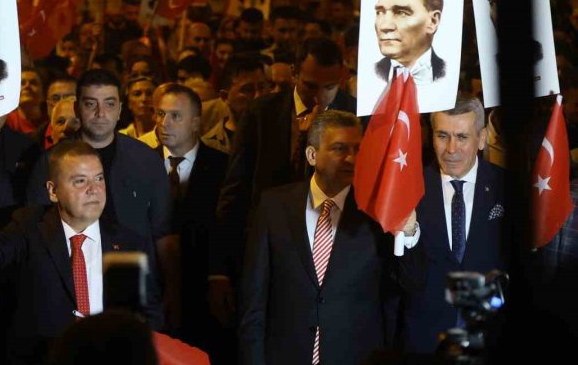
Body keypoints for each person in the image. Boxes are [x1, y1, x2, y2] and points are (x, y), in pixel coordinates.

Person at [240, 111, 419, 365]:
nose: (351, 158)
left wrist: (409, 233)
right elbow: (253, 303)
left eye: (358, 149)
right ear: (312, 155)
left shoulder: (376, 211)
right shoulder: (273, 206)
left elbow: (408, 284)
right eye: (339, 149)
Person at [0, 140, 161, 364]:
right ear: (53, 191)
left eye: (99, 178)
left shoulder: (130, 242)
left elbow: (149, 313)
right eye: (80, 181)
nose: (94, 189)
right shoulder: (29, 226)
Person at [210, 38, 356, 325]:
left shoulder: (358, 115)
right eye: (311, 86)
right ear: (294, 73)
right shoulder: (261, 113)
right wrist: (219, 269)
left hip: (334, 252)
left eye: (330, 87)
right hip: (266, 254)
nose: (321, 98)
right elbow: (235, 192)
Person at [25, 69, 172, 270]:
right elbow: (36, 234)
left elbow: (164, 232)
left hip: (135, 279)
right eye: (90, 104)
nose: (100, 113)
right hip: (72, 277)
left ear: (120, 109)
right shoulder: (50, 162)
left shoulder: (146, 159)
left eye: (109, 104)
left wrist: (171, 291)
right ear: (77, 108)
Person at [398, 97, 508, 353]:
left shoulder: (508, 188)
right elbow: (404, 282)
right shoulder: (409, 188)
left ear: (481, 139)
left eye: (462, 137)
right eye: (442, 135)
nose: (451, 148)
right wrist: (409, 235)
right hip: (426, 342)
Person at [153, 84, 230, 358]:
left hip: (204, 292)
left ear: (196, 122)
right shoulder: (141, 165)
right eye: (160, 114)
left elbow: (227, 229)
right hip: (155, 292)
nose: (164, 123)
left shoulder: (224, 167)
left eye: (175, 116)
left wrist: (218, 275)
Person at [373, 0, 446, 84]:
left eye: (401, 12)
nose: (384, 26)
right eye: (380, 12)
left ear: (433, 21)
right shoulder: (368, 78)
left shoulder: (450, 76)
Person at [203, 58, 270, 155]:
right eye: (248, 90)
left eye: (262, 87)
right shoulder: (210, 147)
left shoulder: (279, 137)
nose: (258, 96)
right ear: (225, 97)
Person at [6, 68, 48, 135]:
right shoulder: (6, 121)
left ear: (43, 94)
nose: (27, 86)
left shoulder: (50, 121)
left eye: (33, 83)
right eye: (22, 83)